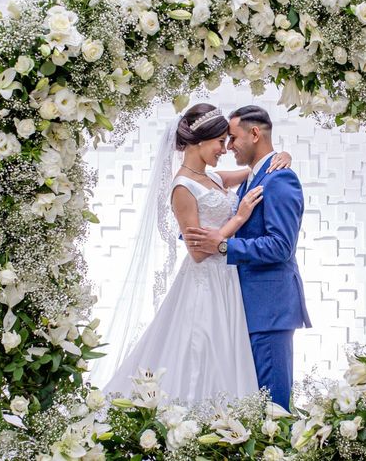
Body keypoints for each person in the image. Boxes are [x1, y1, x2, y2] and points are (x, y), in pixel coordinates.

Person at [102, 103, 293, 404]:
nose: (224, 149)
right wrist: (238, 219)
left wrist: (282, 156)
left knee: (228, 357)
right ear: (200, 141)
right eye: (220, 141)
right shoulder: (182, 188)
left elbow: (255, 171)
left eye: (228, 140)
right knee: (200, 352)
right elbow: (197, 252)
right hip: (205, 282)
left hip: (229, 282)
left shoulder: (214, 178)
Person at [185, 105, 311, 410]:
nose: (228, 147)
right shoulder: (253, 177)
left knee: (273, 409)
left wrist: (224, 246)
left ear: (255, 134)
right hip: (244, 307)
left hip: (269, 310)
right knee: (250, 407)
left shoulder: (280, 179)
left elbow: (281, 246)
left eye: (232, 138)